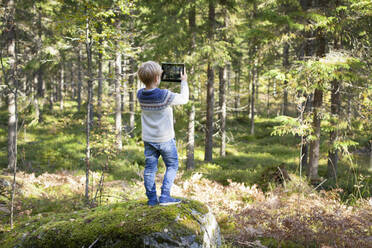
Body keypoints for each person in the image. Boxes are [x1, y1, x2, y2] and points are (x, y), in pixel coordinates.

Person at [136, 61, 189, 206]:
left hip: (148, 139)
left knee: (150, 169)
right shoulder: (164, 95)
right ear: (156, 78)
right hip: (165, 139)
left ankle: (152, 199)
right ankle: (165, 196)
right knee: (172, 165)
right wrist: (183, 82)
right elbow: (184, 99)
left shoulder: (140, 94)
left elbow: (150, 92)